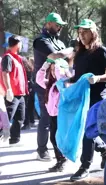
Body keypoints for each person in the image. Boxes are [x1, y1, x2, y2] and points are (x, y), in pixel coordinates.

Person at [68, 19, 106, 181]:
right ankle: (104, 149)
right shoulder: (79, 54)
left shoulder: (102, 51)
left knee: (88, 133)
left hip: (97, 99)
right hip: (81, 99)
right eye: (80, 32)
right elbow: (76, 77)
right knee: (86, 131)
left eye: (85, 32)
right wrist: (68, 83)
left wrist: (98, 78)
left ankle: (84, 167)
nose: (82, 35)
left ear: (93, 33)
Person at [33, 12, 74, 161]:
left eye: (61, 26)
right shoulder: (40, 40)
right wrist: (71, 50)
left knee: (59, 118)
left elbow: (69, 60)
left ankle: (61, 150)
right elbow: (55, 56)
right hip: (44, 84)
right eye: (57, 25)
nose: (59, 28)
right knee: (46, 117)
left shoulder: (60, 42)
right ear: (48, 23)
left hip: (61, 84)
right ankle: (42, 150)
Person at [36, 58, 72, 172]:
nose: (52, 72)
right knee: (54, 138)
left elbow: (61, 77)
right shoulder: (50, 85)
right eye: (51, 70)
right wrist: (44, 67)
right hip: (53, 115)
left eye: (54, 70)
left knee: (58, 138)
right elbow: (39, 79)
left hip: (62, 115)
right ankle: (60, 160)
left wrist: (57, 63)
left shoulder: (65, 83)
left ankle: (63, 160)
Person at [0, 35, 28, 145]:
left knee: (20, 117)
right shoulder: (8, 57)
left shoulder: (17, 58)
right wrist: (9, 90)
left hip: (20, 93)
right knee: (6, 117)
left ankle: (14, 139)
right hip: (12, 93)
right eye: (21, 43)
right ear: (18, 44)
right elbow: (5, 73)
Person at [22, 57, 37, 130]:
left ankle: (27, 123)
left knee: (26, 107)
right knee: (30, 107)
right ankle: (31, 121)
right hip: (32, 88)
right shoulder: (30, 68)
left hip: (27, 88)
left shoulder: (24, 69)